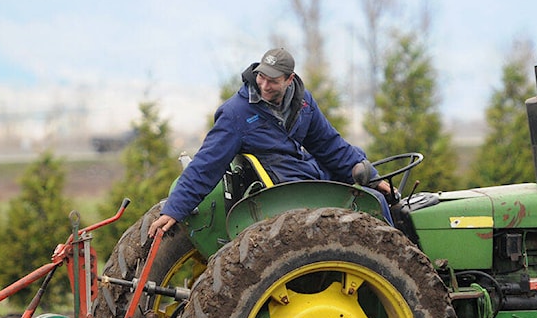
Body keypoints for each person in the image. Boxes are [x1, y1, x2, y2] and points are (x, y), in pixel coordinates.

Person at [148, 48, 390, 237]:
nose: (264, 85)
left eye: (272, 80)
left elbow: (328, 145)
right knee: (370, 204)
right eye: (261, 77)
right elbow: (207, 163)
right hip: (285, 189)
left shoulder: (303, 102)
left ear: (289, 79)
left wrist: (371, 176)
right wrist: (175, 208)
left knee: (372, 193)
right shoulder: (237, 114)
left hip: (305, 174)